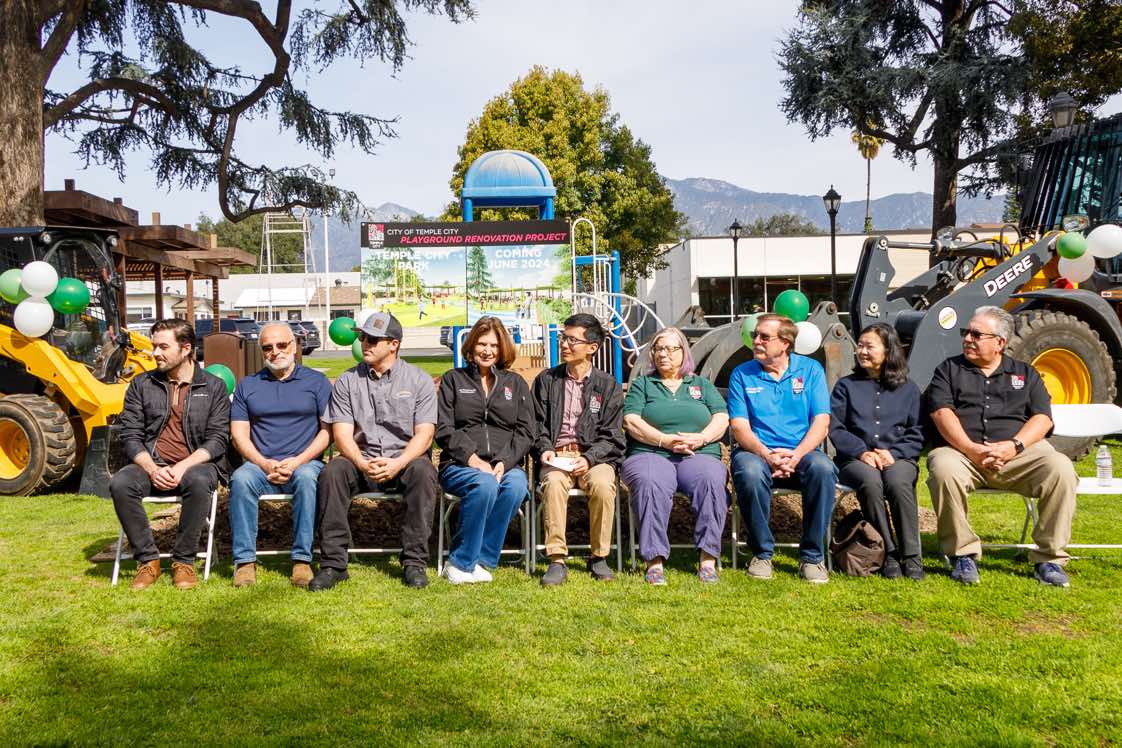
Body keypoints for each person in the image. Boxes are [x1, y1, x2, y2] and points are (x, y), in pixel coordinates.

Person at [926, 305, 1077, 587]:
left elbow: (1043, 418)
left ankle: (1049, 559)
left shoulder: (1025, 373)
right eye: (966, 333)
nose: (967, 339)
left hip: (1019, 456)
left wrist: (1014, 446)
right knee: (943, 468)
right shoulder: (948, 370)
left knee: (1061, 468)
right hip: (963, 455)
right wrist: (971, 449)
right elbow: (940, 412)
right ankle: (963, 555)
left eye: (976, 334)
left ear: (1000, 343)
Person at [310, 312, 439, 590]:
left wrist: (399, 463)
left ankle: (414, 562)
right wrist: (361, 462)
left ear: (393, 344)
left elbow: (425, 434)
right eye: (362, 337)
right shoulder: (347, 381)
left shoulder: (419, 380)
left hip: (405, 461)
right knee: (332, 472)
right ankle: (333, 565)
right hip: (361, 460)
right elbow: (341, 434)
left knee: (424, 471)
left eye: (372, 339)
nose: (364, 343)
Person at [110, 319, 229, 590]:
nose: (155, 353)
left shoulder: (213, 387)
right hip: (151, 463)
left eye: (163, 347)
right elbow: (130, 436)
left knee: (198, 481)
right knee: (121, 483)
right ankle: (148, 560)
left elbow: (218, 439)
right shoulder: (141, 384)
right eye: (154, 346)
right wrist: (153, 469)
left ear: (186, 348)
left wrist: (181, 467)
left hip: (197, 464)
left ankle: (184, 561)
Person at [728, 313, 836, 584]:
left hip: (801, 452)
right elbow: (739, 427)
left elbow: (821, 421)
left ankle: (812, 557)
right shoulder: (741, 374)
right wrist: (767, 455)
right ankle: (761, 554)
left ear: (785, 343)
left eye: (764, 337)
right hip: (756, 452)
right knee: (749, 473)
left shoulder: (810, 370)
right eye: (755, 335)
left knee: (823, 469)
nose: (756, 341)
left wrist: (796, 455)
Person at [621, 327, 730, 585]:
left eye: (670, 348)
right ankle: (654, 561)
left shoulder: (701, 385)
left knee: (711, 480)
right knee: (650, 482)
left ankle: (708, 559)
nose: (663, 354)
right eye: (658, 349)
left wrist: (701, 438)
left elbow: (721, 418)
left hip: (698, 452)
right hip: (651, 452)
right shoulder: (643, 385)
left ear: (684, 353)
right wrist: (664, 440)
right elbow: (631, 420)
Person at [227, 322, 333, 588]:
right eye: (267, 347)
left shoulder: (316, 382)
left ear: (294, 346)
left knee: (307, 479)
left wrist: (297, 461)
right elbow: (239, 435)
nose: (275, 351)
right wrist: (263, 463)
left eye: (281, 345)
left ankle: (302, 560)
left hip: (305, 463)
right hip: (260, 465)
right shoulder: (248, 385)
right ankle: (244, 562)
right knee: (241, 479)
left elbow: (328, 432)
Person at [436, 317, 533, 584]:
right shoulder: (453, 380)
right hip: (459, 464)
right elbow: (444, 429)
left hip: (505, 465)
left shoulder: (516, 383)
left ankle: (480, 560)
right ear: (471, 346)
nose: (487, 351)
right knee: (485, 484)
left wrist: (504, 462)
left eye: (494, 345)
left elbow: (526, 431)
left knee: (516, 486)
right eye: (482, 344)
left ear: (502, 349)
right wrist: (473, 459)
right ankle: (459, 562)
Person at [531, 314, 625, 586]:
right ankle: (556, 559)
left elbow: (613, 434)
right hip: (557, 456)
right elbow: (536, 424)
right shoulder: (547, 380)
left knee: (603, 485)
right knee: (553, 484)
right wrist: (545, 449)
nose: (564, 344)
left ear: (592, 347)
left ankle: (599, 556)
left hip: (595, 457)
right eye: (564, 338)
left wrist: (589, 457)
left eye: (572, 340)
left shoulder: (607, 385)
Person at [829, 323, 924, 580]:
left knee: (898, 482)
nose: (862, 351)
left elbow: (918, 430)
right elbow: (835, 427)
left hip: (898, 457)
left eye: (869, 346)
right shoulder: (846, 387)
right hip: (855, 460)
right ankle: (888, 552)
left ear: (888, 350)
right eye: (860, 346)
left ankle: (912, 556)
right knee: (870, 482)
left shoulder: (909, 389)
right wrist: (862, 452)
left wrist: (895, 453)